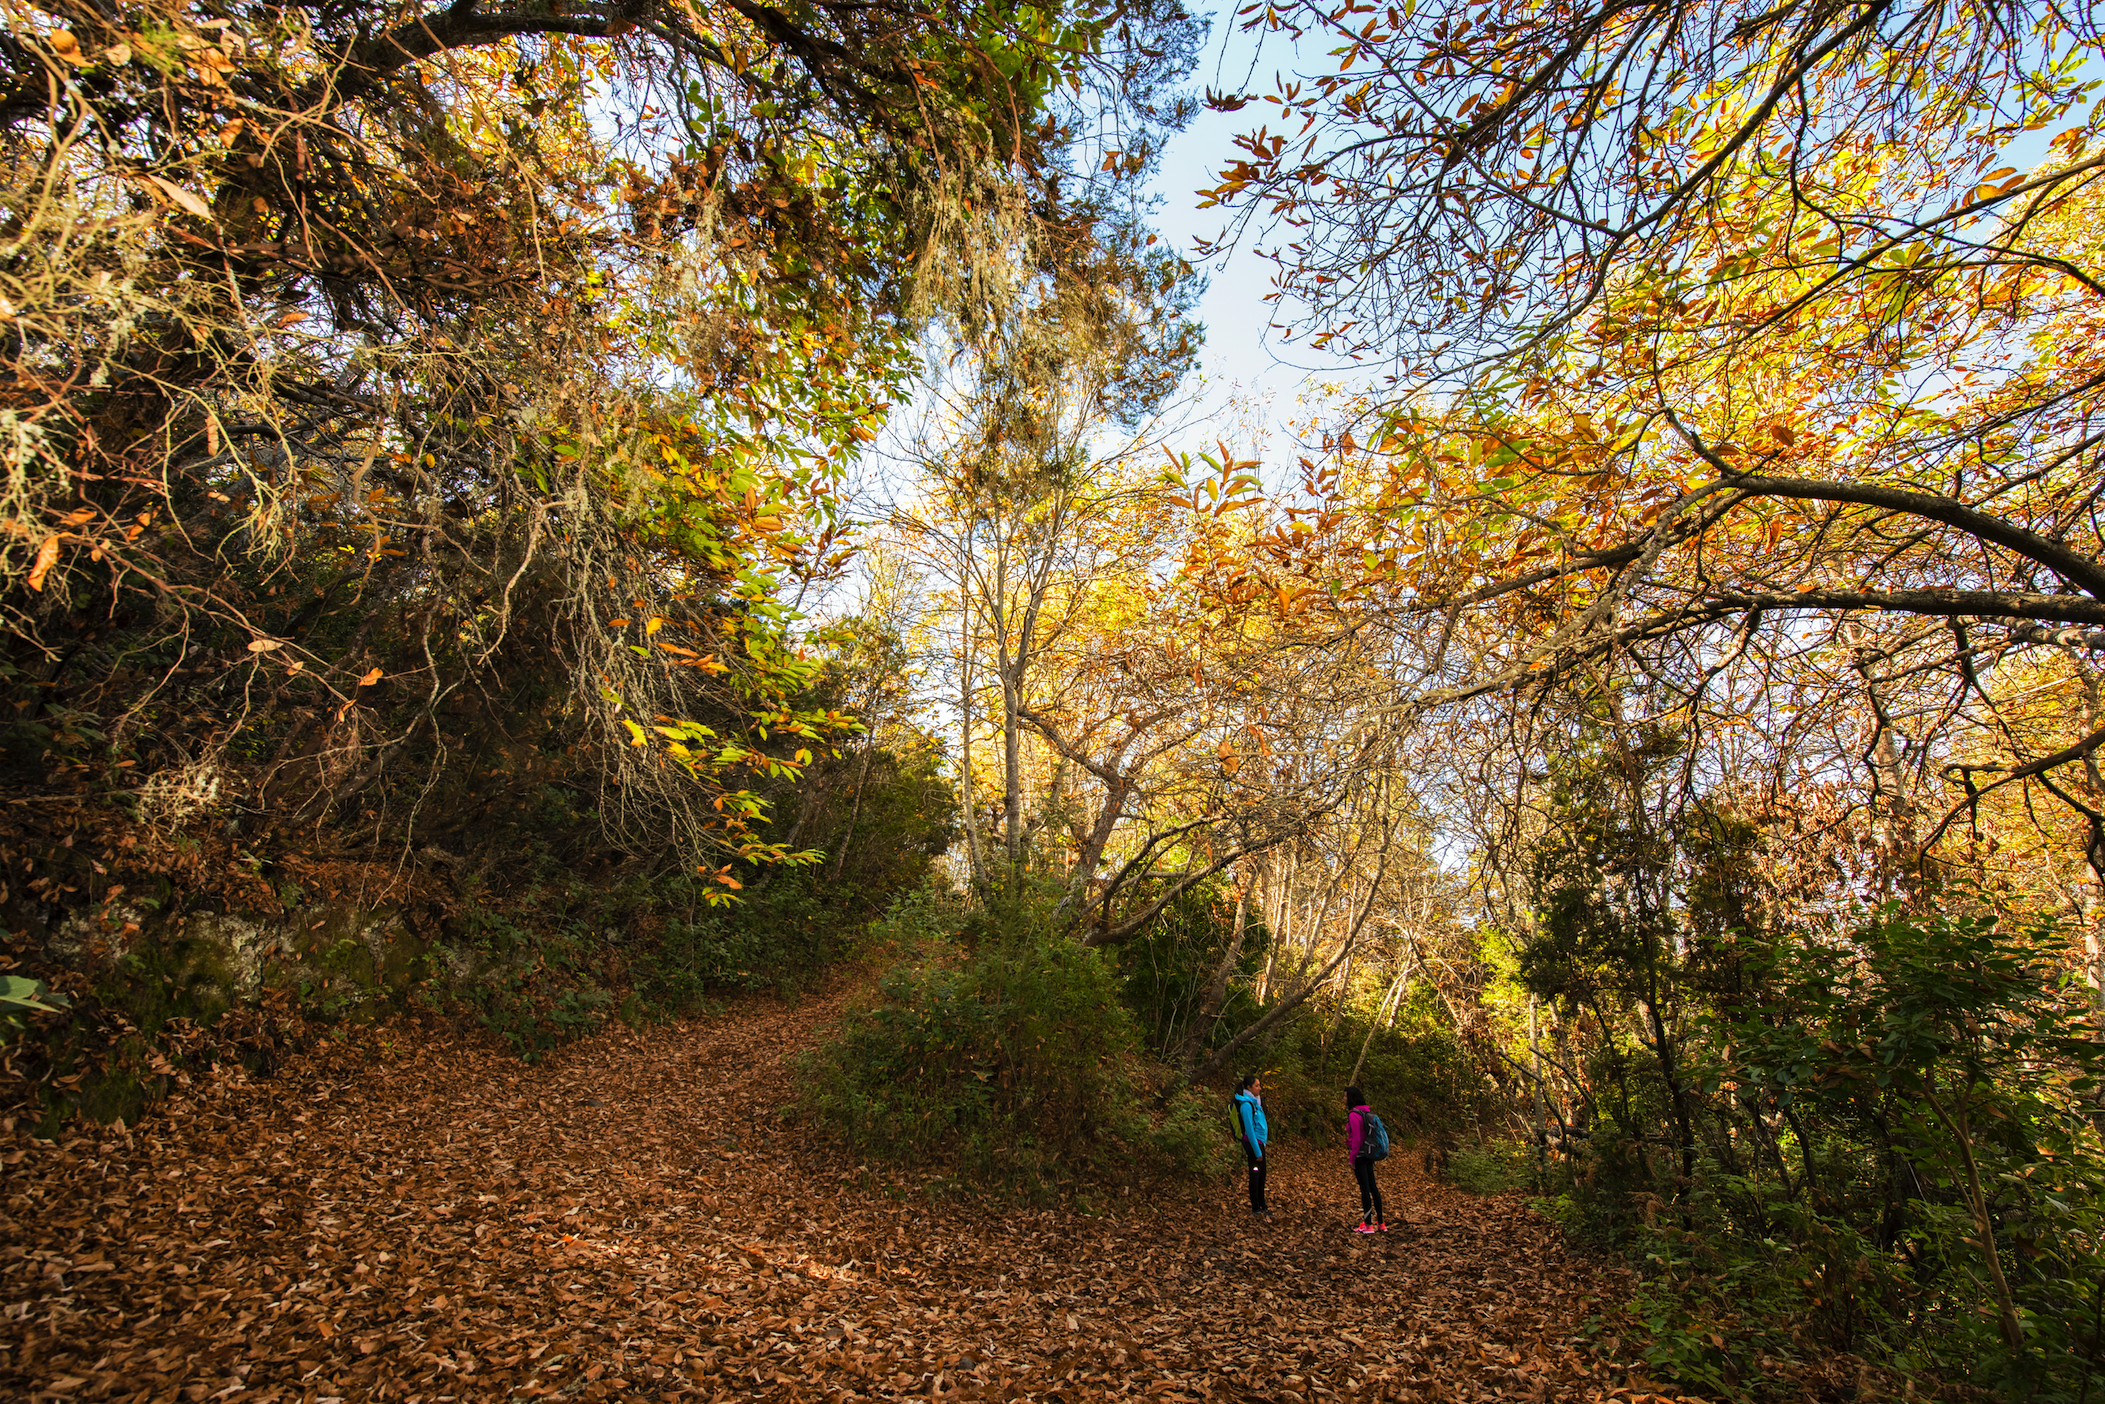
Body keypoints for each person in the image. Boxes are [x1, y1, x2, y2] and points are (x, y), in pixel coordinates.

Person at [1345, 1084, 1387, 1233]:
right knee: (1373, 1187)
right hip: (1369, 1153)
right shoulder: (1366, 1113)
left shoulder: (1353, 1115)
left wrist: (1352, 1158)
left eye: (1345, 1096)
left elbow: (1356, 1138)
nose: (1344, 1099)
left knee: (1365, 1189)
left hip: (1360, 1155)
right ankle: (1381, 1223)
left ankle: (1368, 1224)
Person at [1233, 1073, 1270, 1218]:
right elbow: (1249, 1130)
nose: (1259, 1088)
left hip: (1260, 1144)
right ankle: (1256, 1207)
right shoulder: (1246, 1106)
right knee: (1255, 1175)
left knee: (1261, 1176)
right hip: (1254, 1145)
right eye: (1257, 1086)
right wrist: (1257, 1152)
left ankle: (1262, 1205)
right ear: (1249, 1087)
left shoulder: (1255, 1102)